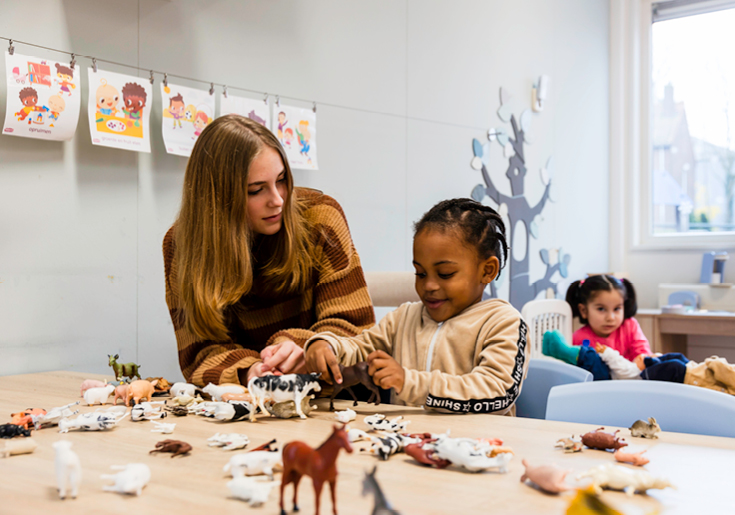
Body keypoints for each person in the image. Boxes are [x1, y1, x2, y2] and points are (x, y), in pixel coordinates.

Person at [163, 115, 374, 386]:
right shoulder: (181, 246)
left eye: (282, 179)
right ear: (218, 200)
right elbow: (198, 355)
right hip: (247, 404)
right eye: (255, 190)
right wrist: (250, 372)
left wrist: (304, 346)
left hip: (335, 399)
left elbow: (356, 329)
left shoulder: (321, 218)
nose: (277, 200)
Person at [304, 198, 529, 414]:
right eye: (420, 273)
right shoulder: (404, 318)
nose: (429, 285)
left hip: (480, 447)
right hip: (410, 443)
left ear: (487, 271)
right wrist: (326, 345)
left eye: (445, 274)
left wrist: (409, 382)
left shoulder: (504, 322)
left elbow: (497, 393)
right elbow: (357, 347)